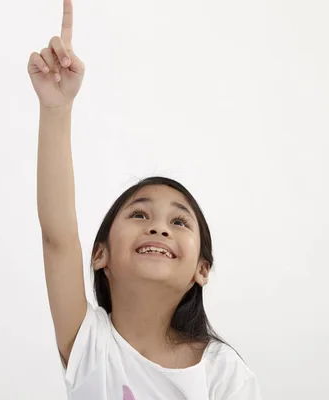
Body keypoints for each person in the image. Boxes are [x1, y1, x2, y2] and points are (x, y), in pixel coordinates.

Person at [28, 1, 262, 398]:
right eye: (139, 214)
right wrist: (56, 108)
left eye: (180, 222)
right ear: (100, 254)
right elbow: (58, 237)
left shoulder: (223, 373)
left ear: (202, 269)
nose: (158, 226)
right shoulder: (92, 346)